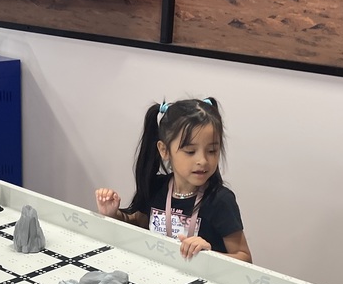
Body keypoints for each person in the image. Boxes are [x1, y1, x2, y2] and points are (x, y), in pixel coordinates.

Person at [95, 97, 252, 262]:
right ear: (164, 150)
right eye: (190, 152)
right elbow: (140, 223)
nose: (203, 161)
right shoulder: (156, 187)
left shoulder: (220, 200)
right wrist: (113, 214)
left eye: (212, 151)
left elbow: (245, 258)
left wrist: (209, 254)